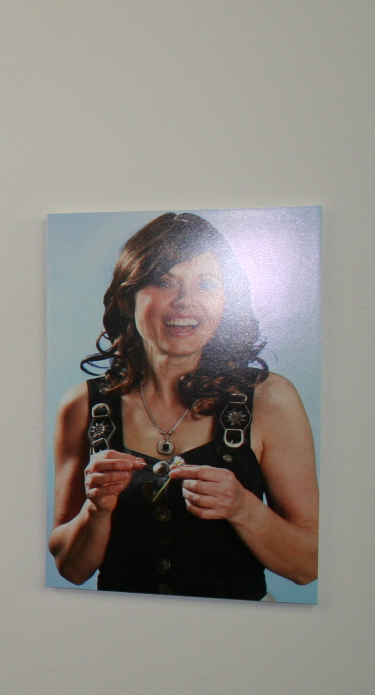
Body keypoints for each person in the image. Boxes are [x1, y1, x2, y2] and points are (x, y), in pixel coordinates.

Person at [49, 212, 318, 598]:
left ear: (227, 300)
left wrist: (244, 509)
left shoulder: (271, 400)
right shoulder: (82, 406)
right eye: (163, 282)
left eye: (205, 284)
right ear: (127, 298)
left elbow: (308, 567)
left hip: (241, 631)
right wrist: (96, 510)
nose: (185, 302)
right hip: (120, 626)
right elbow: (71, 570)